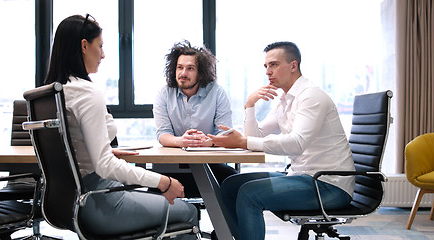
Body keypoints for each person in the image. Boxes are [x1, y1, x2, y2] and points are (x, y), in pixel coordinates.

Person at [44, 14, 198, 237]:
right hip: (100, 202)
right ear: (84, 46)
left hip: (68, 204)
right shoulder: (86, 93)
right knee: (189, 212)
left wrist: (101, 150)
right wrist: (164, 182)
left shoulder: (54, 93)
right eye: (101, 46)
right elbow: (105, 166)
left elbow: (69, 148)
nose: (103, 54)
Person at [207, 41, 355, 240]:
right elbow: (255, 137)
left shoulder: (311, 96)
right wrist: (249, 105)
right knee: (230, 185)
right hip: (302, 176)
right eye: (266, 66)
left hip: (328, 185)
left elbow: (296, 143)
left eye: (274, 64)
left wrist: (242, 142)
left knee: (250, 194)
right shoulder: (284, 100)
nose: (268, 71)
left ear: (293, 66)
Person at [153, 40, 238, 198]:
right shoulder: (164, 94)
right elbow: (163, 134)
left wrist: (208, 142)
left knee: (233, 182)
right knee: (153, 184)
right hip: (172, 167)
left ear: (201, 73)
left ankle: (227, 224)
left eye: (190, 68)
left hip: (210, 165)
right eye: (180, 67)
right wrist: (181, 141)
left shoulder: (217, 93)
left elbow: (225, 134)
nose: (183, 73)